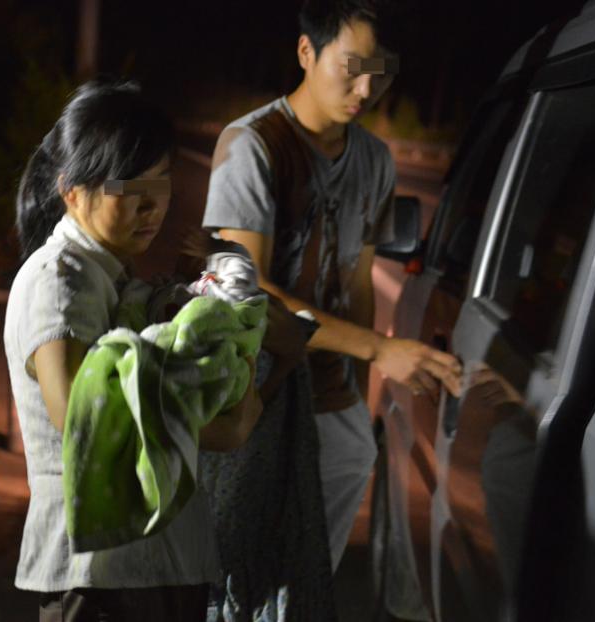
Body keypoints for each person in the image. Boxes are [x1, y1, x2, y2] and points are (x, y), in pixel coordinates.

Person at [202, 0, 463, 573]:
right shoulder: (252, 146)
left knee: (310, 581)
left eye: (377, 69)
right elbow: (248, 294)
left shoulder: (375, 160)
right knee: (240, 582)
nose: (366, 87)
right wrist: (377, 349)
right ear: (305, 52)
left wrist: (362, 391)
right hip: (256, 400)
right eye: (351, 66)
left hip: (333, 405)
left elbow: (360, 279)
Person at [3, 76, 262, 622]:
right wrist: (224, 429)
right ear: (73, 191)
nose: (152, 207)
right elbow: (83, 417)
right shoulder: (59, 280)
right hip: (103, 581)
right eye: (128, 190)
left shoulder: (115, 278)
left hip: (149, 569)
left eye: (162, 183)